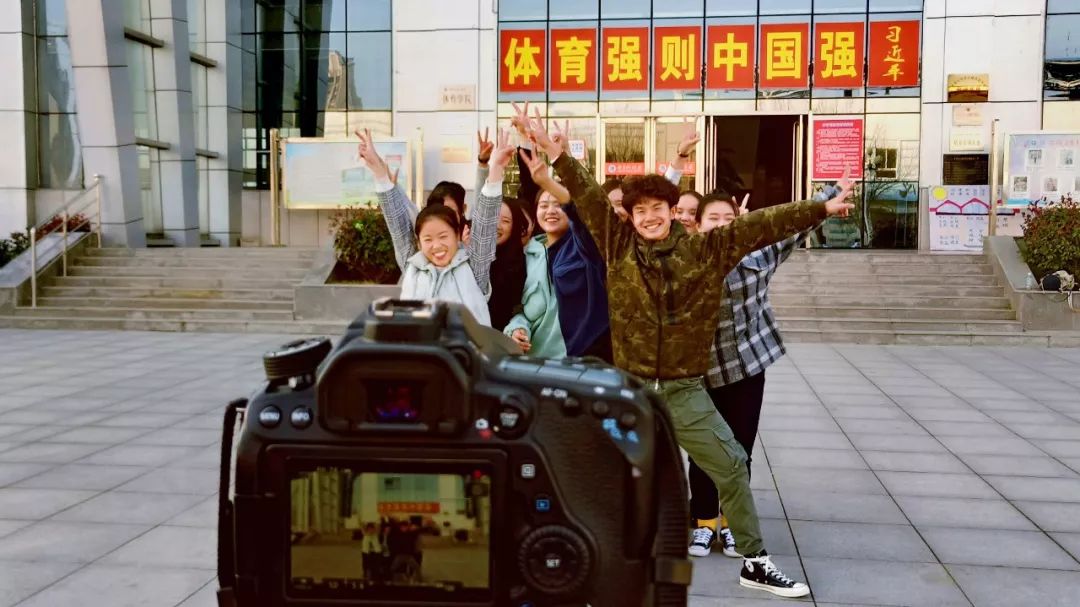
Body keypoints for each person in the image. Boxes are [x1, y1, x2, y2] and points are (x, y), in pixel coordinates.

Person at [525, 112, 854, 598]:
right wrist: (559, 156)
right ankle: (587, 558)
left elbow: (764, 224)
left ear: (672, 209)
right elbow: (590, 197)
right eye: (640, 211)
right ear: (630, 217)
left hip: (682, 392)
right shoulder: (617, 246)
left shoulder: (707, 250)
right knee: (602, 473)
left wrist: (821, 206)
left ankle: (754, 560)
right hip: (630, 392)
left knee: (732, 465)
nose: (649, 217)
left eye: (657, 208)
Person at [686, 181, 841, 559]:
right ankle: (704, 523)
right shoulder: (683, 260)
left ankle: (733, 524)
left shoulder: (757, 256)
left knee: (739, 449)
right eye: (712, 218)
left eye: (728, 218)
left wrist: (828, 197)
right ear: (698, 225)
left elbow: (791, 228)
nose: (721, 224)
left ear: (740, 221)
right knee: (703, 451)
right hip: (698, 372)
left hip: (745, 369)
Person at [359, 128, 513, 327]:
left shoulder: (473, 266)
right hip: (420, 346)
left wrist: (495, 169)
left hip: (466, 347)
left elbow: (485, 223)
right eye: (428, 239)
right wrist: (379, 172)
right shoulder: (412, 264)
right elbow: (397, 224)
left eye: (443, 236)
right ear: (418, 242)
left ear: (457, 235)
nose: (437, 245)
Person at [511, 136, 612, 362]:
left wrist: (559, 167)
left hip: (581, 360)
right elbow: (524, 311)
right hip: (538, 361)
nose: (550, 211)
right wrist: (517, 328)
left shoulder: (584, 245)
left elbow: (585, 209)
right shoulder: (528, 254)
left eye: (558, 205)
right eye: (544, 206)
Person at [487, 196, 530, 330]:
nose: (497, 226)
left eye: (505, 221)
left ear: (514, 226)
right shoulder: (471, 254)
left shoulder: (520, 264)